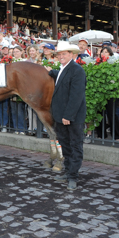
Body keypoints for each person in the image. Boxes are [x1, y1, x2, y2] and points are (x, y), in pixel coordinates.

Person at [46, 42, 86, 190]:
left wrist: (68, 116)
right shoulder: (63, 69)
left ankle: (73, 177)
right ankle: (69, 172)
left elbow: (76, 96)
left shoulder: (77, 70)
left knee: (75, 146)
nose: (61, 56)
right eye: (59, 54)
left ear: (72, 54)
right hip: (61, 116)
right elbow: (62, 77)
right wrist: (52, 71)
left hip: (71, 117)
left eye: (64, 54)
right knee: (66, 146)